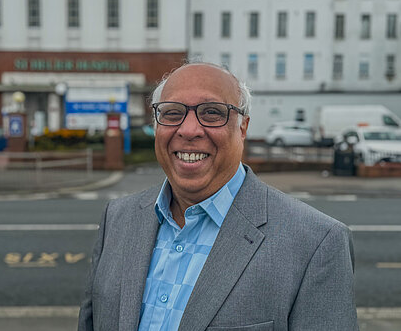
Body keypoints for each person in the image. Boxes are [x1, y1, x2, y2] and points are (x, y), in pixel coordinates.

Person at [78, 62, 358, 331]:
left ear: (243, 128)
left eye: (212, 113)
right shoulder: (117, 218)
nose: (188, 130)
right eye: (172, 113)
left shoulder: (318, 243)